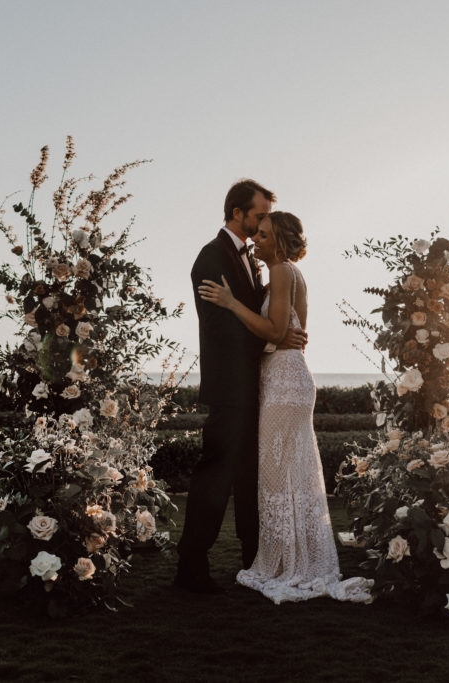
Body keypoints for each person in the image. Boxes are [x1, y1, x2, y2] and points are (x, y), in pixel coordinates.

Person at [198, 211, 373, 604]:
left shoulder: (280, 271)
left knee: (278, 473)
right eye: (255, 234)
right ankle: (301, 558)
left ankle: (289, 564)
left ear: (279, 241)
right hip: (289, 377)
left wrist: (230, 303)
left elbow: (278, 332)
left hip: (283, 383)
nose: (255, 240)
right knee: (292, 472)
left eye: (262, 235)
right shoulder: (293, 274)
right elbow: (292, 333)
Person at [173, 180, 307, 594]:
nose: (263, 221)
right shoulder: (211, 258)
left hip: (260, 387)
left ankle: (256, 561)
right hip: (231, 389)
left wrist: (279, 334)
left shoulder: (255, 260)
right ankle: (191, 566)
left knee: (254, 477)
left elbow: (268, 312)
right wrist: (274, 337)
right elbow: (222, 330)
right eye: (258, 215)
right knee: (215, 476)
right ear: (237, 213)